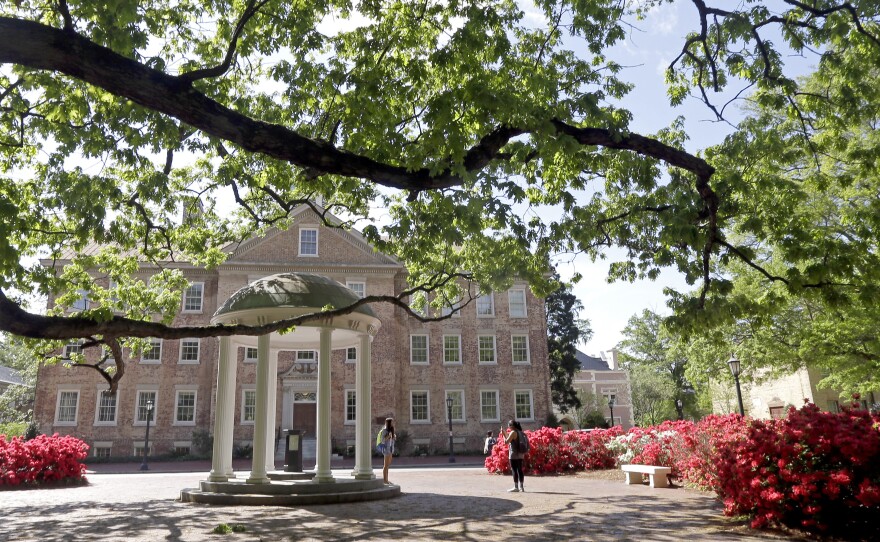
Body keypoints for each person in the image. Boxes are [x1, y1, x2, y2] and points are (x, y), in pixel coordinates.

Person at [502, 419, 525, 492]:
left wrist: (503, 434)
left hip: (513, 454)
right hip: (521, 454)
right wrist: (506, 434)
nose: (508, 426)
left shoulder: (513, 432)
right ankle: (521, 486)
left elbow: (506, 442)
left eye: (509, 425)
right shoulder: (520, 432)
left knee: (514, 470)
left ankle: (516, 486)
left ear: (511, 426)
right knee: (520, 470)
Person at [379, 418, 396, 485]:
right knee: (385, 466)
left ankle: (387, 479)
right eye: (391, 422)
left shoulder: (391, 430)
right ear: (388, 423)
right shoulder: (384, 431)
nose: (392, 424)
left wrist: (393, 437)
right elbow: (382, 440)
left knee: (388, 465)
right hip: (386, 450)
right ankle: (384, 480)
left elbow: (392, 441)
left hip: (391, 449)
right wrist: (388, 437)